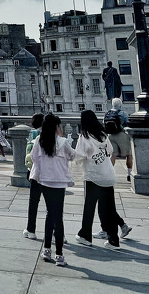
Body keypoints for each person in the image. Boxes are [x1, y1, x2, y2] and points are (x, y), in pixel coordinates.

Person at [74, 110, 131, 250]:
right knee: (109, 209)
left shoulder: (84, 137)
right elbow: (110, 151)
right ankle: (113, 240)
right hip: (108, 176)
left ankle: (85, 236)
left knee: (89, 208)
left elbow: (78, 157)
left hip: (93, 177)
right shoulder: (103, 135)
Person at [29, 114, 77, 267]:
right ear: (57, 127)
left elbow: (33, 157)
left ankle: (47, 249)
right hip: (60, 181)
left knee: (50, 214)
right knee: (58, 216)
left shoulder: (39, 140)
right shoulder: (62, 142)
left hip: (45, 181)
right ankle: (60, 254)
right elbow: (73, 156)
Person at [23, 113, 45, 240]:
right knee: (51, 206)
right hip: (51, 175)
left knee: (33, 202)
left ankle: (31, 229)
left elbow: (30, 154)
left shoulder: (34, 134)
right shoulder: (54, 134)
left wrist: (28, 168)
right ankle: (56, 233)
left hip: (36, 172)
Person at [105, 98, 133, 182]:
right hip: (121, 134)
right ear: (120, 104)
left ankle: (109, 173)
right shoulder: (123, 113)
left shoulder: (107, 113)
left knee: (113, 155)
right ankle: (129, 174)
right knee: (129, 154)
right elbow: (128, 124)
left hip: (110, 135)